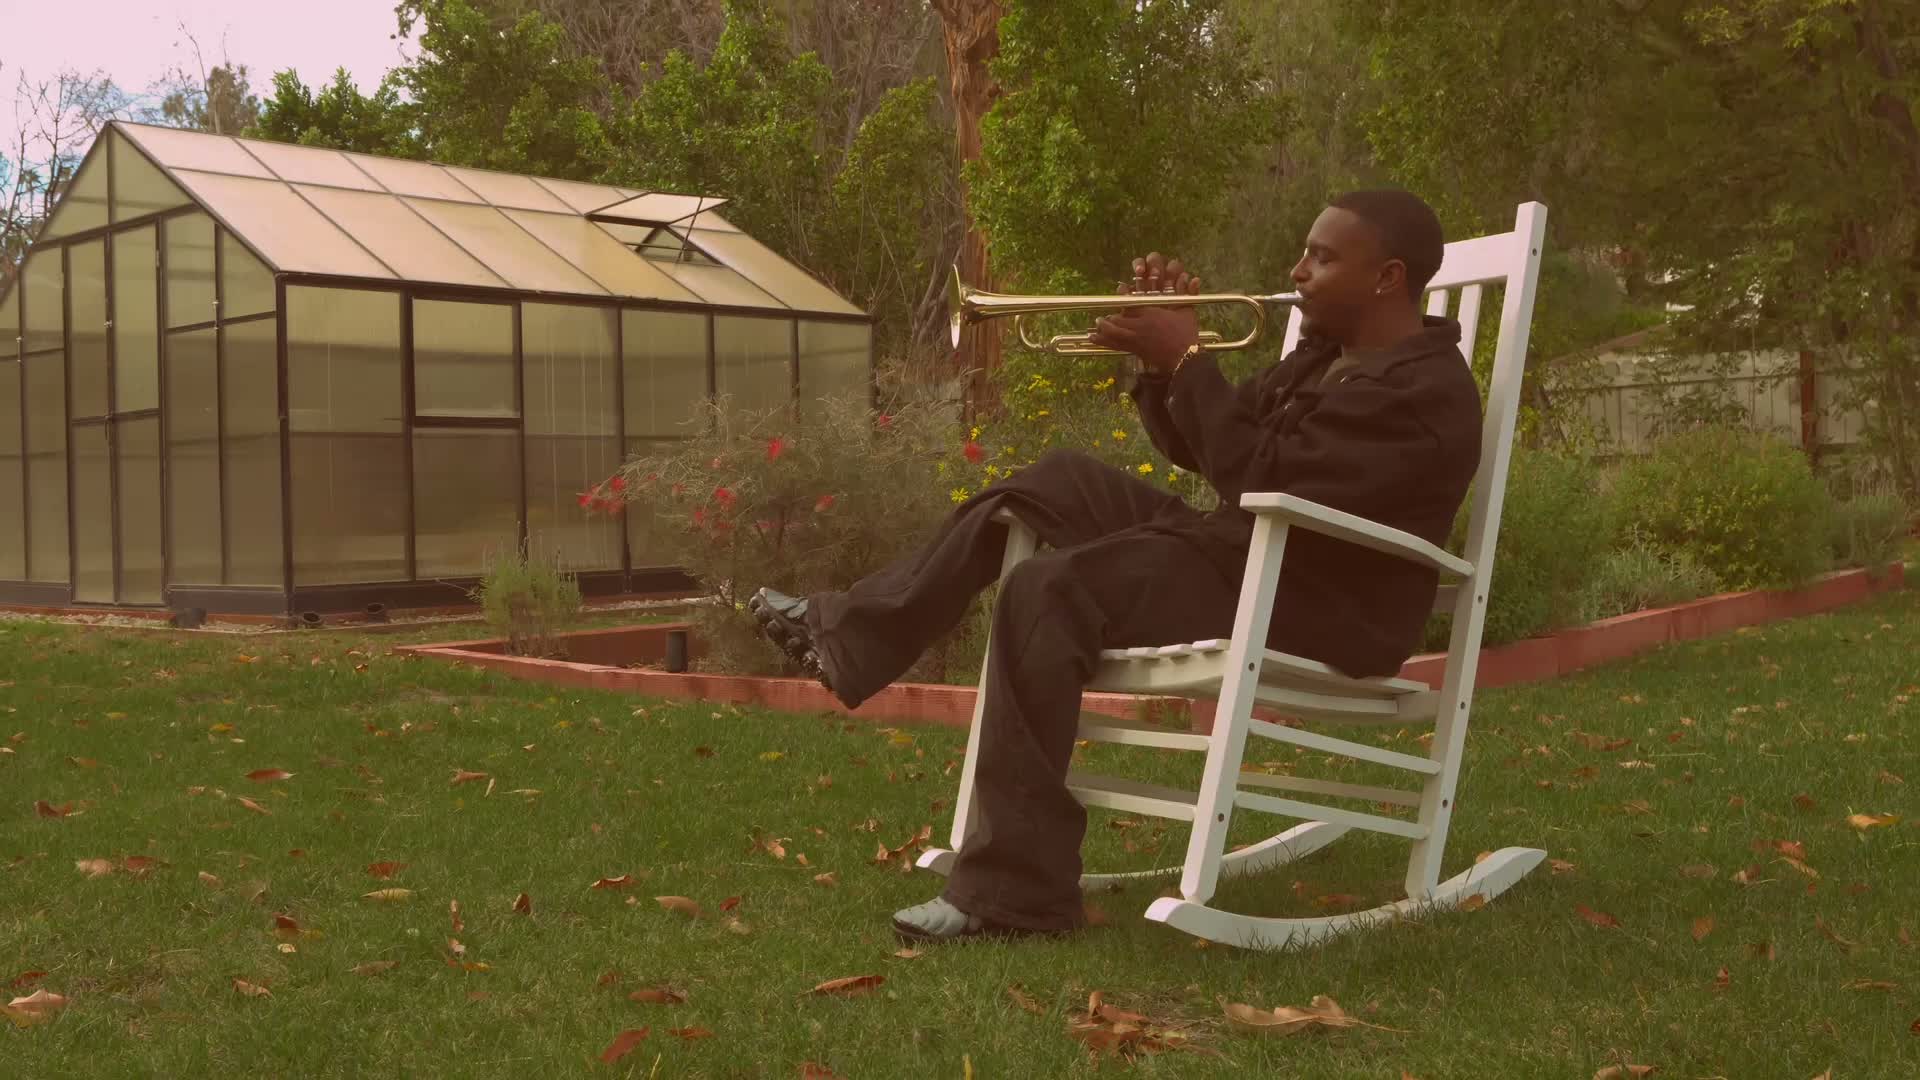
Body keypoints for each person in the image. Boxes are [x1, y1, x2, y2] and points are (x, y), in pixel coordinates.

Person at [750, 189, 1484, 943]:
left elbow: (1262, 477)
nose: (1297, 271)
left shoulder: (1424, 395)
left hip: (1315, 602)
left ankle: (1016, 896)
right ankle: (853, 632)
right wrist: (1161, 369)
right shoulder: (1322, 359)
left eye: (1321, 258)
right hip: (1245, 556)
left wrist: (1190, 359)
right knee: (1057, 479)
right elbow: (1207, 450)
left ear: (1387, 278)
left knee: (1048, 589)